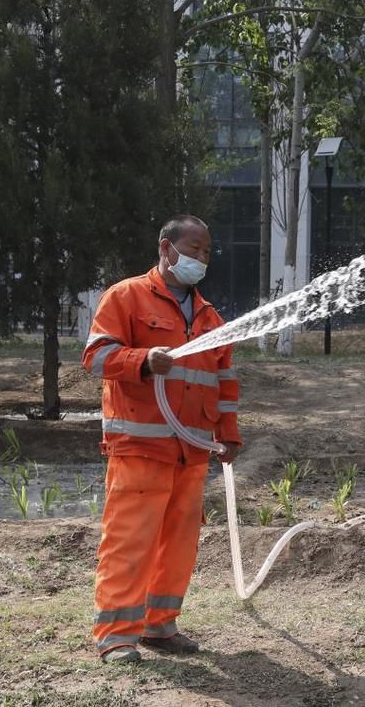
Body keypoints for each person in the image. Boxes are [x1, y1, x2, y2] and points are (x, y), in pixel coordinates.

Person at [81, 214, 241, 664]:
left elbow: (224, 383)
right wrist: (144, 360)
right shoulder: (126, 297)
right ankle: (116, 635)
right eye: (193, 249)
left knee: (179, 543)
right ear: (166, 248)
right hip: (139, 447)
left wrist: (228, 436)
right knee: (130, 540)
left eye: (207, 252)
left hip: (191, 452)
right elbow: (95, 358)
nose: (201, 258)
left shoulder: (212, 319)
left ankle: (159, 625)